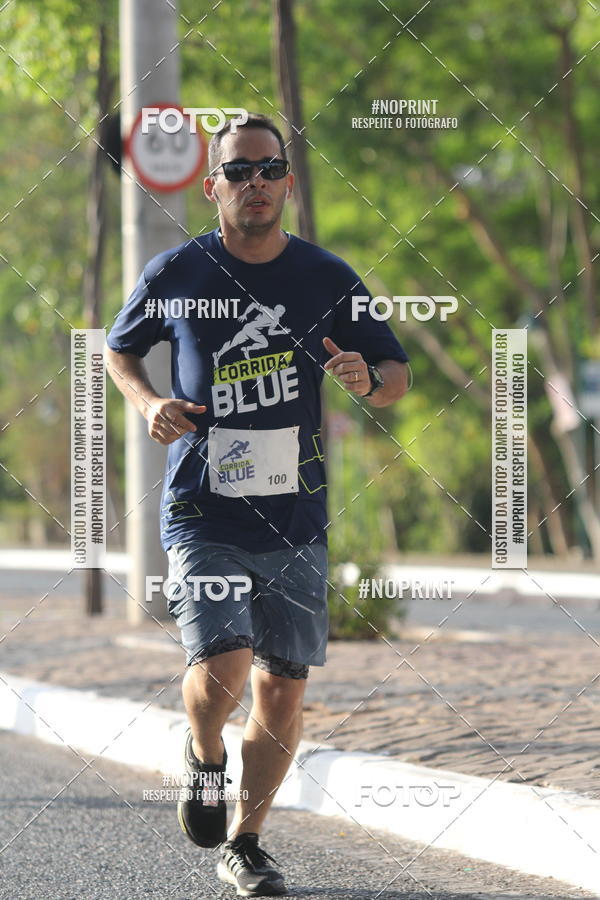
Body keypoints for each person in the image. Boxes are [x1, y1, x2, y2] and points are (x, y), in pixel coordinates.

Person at [105, 112, 409, 897]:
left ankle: (246, 840)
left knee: (282, 686)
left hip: (297, 518)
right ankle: (205, 752)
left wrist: (366, 382)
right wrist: (145, 403)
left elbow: (395, 374)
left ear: (288, 182)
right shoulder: (177, 272)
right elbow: (119, 346)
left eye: (269, 170)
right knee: (226, 666)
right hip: (204, 508)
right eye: (239, 172)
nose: (256, 184)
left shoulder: (327, 278)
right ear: (212, 187)